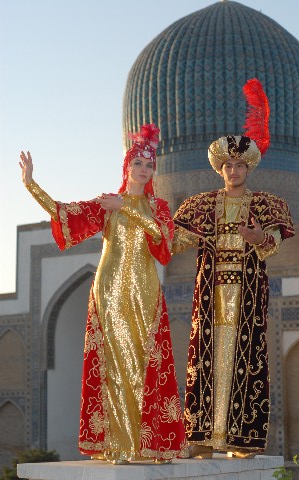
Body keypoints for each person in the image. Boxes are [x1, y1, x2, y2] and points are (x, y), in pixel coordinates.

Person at [19, 123, 187, 464]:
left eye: (149, 164)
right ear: (126, 167)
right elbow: (63, 213)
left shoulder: (159, 208)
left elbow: (162, 241)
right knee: (115, 362)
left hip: (145, 289)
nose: (143, 168)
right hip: (109, 289)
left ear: (153, 170)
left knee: (145, 362)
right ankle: (121, 445)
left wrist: (125, 207)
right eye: (137, 163)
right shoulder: (107, 204)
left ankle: (150, 444)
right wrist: (31, 185)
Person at [172, 79, 295, 459]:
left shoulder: (266, 204)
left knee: (247, 360)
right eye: (229, 164)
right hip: (210, 294)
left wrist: (258, 238)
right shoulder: (200, 205)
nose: (234, 170)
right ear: (219, 169)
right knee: (204, 360)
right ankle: (204, 439)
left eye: (240, 164)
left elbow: (272, 246)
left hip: (247, 294)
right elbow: (174, 242)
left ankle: (240, 440)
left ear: (249, 167)